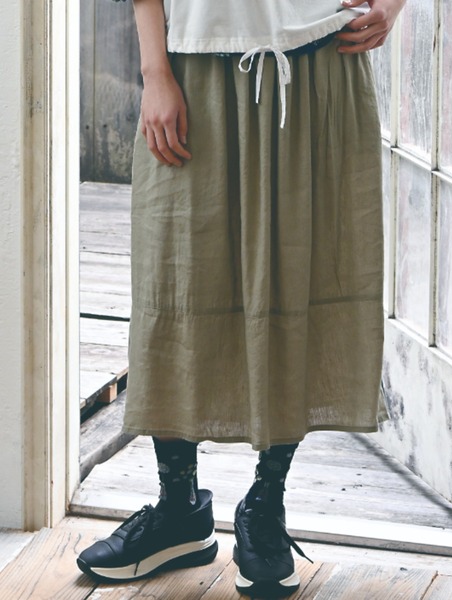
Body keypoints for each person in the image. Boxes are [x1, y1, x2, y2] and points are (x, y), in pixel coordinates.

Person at [77, 0, 406, 597]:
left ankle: (266, 504)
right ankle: (179, 508)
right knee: (174, 282)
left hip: (314, 60)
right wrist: (154, 70)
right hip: (190, 63)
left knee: (293, 281)